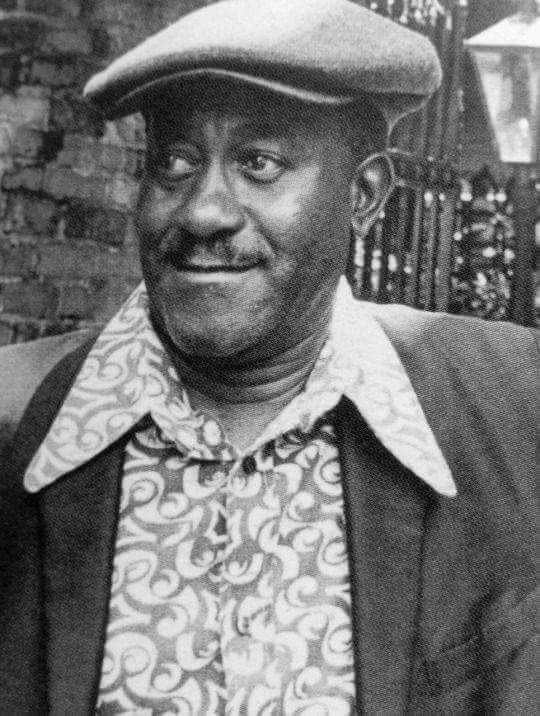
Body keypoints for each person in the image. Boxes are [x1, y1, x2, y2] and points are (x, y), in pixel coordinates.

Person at [0, 0, 537, 713]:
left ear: (364, 195)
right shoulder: (19, 424)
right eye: (174, 163)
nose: (203, 211)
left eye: (260, 163)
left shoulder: (513, 406)